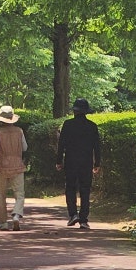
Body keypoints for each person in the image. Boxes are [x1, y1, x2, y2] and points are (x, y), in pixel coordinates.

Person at [55, 98, 101, 229]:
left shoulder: (68, 124)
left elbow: (61, 144)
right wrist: (97, 162)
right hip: (86, 162)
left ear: (74, 111)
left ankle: (73, 214)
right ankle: (84, 219)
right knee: (85, 189)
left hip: (70, 160)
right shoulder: (92, 126)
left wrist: (59, 160)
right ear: (86, 112)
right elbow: (96, 147)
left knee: (70, 187)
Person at [0, 105, 28, 231]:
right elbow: (25, 147)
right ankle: (16, 214)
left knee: (0, 194)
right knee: (19, 194)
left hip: (0, 166)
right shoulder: (19, 131)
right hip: (17, 165)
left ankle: (3, 222)